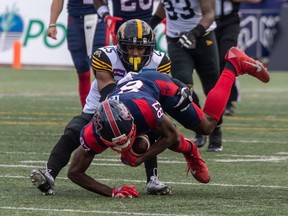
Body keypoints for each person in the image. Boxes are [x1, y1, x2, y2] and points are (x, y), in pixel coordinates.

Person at [67, 46, 269, 197]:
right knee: (139, 144)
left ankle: (233, 65)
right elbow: (74, 173)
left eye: (124, 139)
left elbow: (170, 134)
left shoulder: (144, 109)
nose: (122, 145)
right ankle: (188, 148)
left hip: (157, 86)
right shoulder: (93, 131)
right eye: (116, 142)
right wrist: (112, 191)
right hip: (132, 97)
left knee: (206, 126)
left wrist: (140, 159)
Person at [30, 19, 172, 196]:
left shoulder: (160, 61)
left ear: (149, 48)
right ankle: (49, 175)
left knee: (154, 128)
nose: (135, 52)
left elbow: (158, 98)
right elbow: (108, 94)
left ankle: (153, 178)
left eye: (141, 48)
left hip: (138, 107)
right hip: (100, 107)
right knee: (73, 131)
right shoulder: (104, 56)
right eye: (130, 47)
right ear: (120, 46)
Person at [149, 0, 224, 151]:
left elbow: (209, 14)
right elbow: (163, 7)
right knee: (183, 86)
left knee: (212, 89)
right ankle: (200, 125)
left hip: (203, 38)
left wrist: (194, 33)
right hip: (177, 41)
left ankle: (216, 129)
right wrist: (149, 27)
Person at [47, 0, 106, 108]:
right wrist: (52, 23)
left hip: (97, 18)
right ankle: (87, 112)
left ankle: (105, 110)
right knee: (81, 66)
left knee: (100, 67)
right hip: (75, 17)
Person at [215, 0, 262, 116]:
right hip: (205, 24)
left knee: (226, 57)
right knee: (211, 64)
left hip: (229, 22)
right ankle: (215, 99)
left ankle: (228, 101)